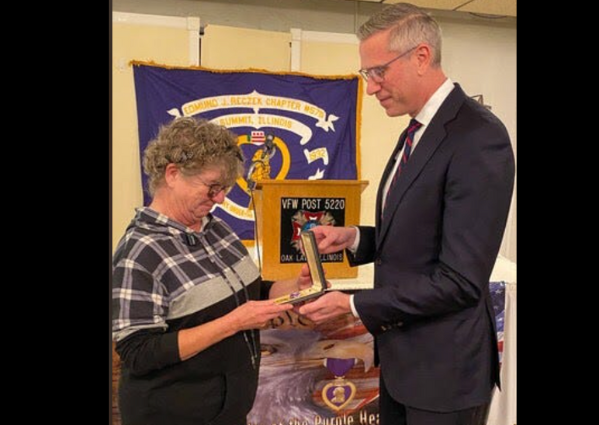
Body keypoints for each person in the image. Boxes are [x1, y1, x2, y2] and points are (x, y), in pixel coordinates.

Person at [298, 3, 515, 425]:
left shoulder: (478, 137)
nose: (371, 87)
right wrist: (356, 239)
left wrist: (354, 304)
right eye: (367, 74)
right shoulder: (419, 129)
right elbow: (419, 237)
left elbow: (459, 281)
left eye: (378, 71)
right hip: (404, 364)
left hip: (444, 374)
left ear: (420, 56)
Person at [112, 116, 305, 425]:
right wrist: (233, 323)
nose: (220, 199)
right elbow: (139, 352)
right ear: (172, 174)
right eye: (212, 187)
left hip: (228, 413)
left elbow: (250, 293)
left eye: (225, 188)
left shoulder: (217, 230)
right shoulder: (140, 251)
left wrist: (296, 285)